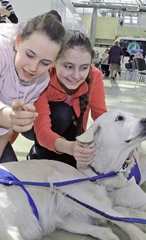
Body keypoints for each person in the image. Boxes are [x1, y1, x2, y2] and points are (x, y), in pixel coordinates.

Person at [0, 11, 65, 169]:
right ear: (18, 41)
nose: (33, 68)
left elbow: (7, 126)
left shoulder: (42, 80)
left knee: (8, 180)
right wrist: (11, 117)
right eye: (29, 55)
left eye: (45, 63)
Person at [27, 30, 107, 167]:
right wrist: (70, 148)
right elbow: (42, 130)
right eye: (69, 66)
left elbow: (103, 118)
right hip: (36, 127)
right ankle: (38, 152)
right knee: (63, 112)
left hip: (72, 132)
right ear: (54, 61)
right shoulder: (43, 78)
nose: (76, 75)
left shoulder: (95, 76)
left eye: (83, 68)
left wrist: (125, 147)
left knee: (71, 167)